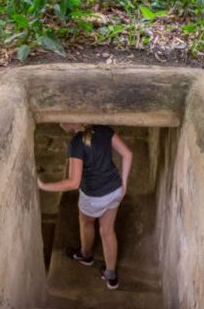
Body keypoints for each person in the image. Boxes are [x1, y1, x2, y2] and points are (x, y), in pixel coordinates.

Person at [38, 124, 133, 290]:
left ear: (73, 122)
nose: (60, 123)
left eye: (62, 120)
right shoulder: (104, 129)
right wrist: (124, 184)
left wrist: (44, 186)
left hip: (94, 197)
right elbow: (128, 154)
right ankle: (111, 275)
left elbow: (73, 183)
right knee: (107, 230)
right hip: (115, 190)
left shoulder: (76, 143)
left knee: (86, 222)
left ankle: (86, 255)